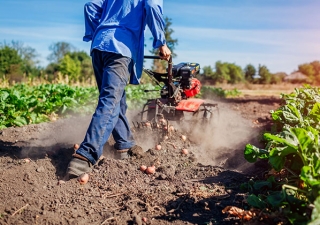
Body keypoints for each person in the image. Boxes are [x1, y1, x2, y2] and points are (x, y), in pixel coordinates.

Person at [66, 0, 171, 179]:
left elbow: (90, 6)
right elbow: (153, 6)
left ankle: (124, 144)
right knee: (110, 101)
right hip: (121, 48)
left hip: (99, 46)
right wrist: (161, 43)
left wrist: (98, 32)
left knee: (115, 99)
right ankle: (85, 155)